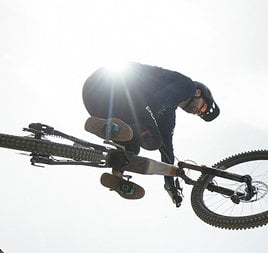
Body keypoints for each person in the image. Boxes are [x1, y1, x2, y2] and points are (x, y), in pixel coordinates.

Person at [82, 62, 220, 205]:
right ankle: (114, 128)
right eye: (203, 107)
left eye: (200, 114)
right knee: (152, 138)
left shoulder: (168, 115)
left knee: (133, 147)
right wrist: (155, 127)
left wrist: (170, 187)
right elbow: (160, 98)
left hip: (96, 101)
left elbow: (167, 153)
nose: (198, 112)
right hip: (114, 84)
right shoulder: (187, 85)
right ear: (198, 92)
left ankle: (116, 171)